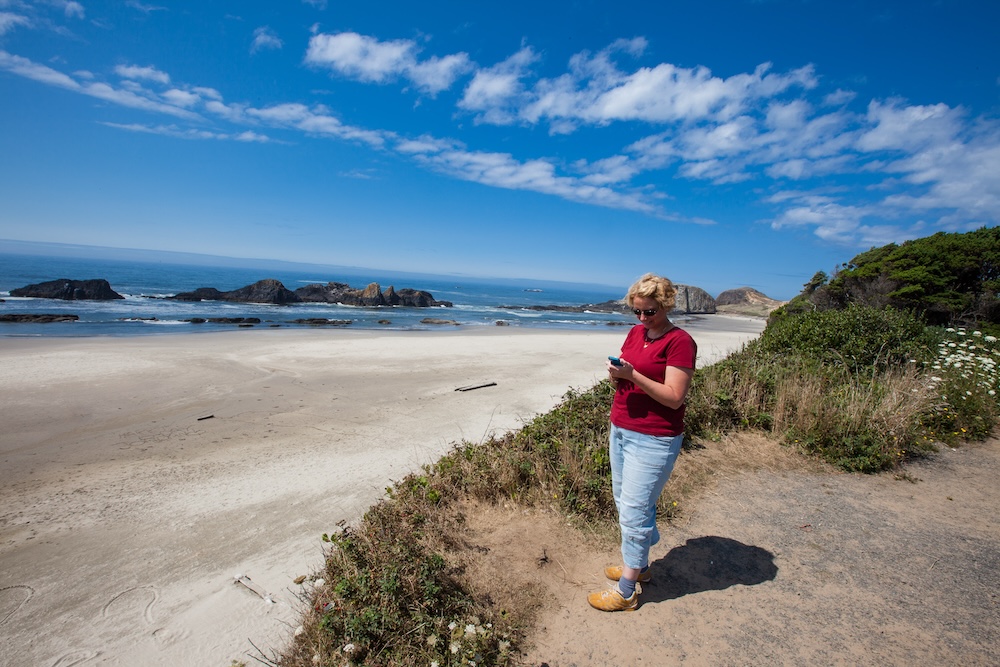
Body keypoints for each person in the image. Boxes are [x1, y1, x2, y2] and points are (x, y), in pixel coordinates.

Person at [588, 273, 697, 612]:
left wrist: (632, 375)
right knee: (626, 502)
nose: (642, 318)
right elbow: (629, 367)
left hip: (654, 437)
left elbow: (675, 397)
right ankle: (642, 566)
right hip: (621, 427)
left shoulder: (680, 342)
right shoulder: (637, 332)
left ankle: (625, 591)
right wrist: (616, 373)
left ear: (665, 306)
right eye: (636, 311)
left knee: (635, 509)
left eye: (649, 312)